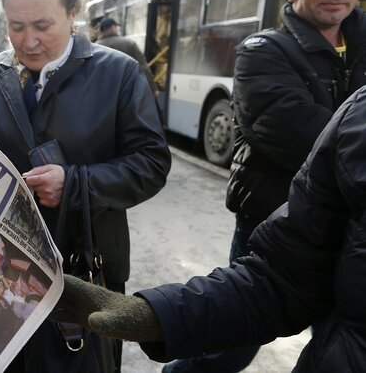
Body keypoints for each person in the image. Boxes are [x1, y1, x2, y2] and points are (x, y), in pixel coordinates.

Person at [0, 0, 171, 371]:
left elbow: (152, 163)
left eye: (42, 26)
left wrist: (78, 183)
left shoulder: (118, 74)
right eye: (16, 26)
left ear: (72, 13)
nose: (28, 42)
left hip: (87, 270)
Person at [52, 81, 366, 372]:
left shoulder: (119, 71)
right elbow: (282, 281)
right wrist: (154, 316)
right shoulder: (358, 116)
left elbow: (149, 161)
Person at [164, 0, 366, 371]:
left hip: (352, 234)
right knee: (233, 342)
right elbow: (299, 134)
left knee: (342, 343)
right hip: (274, 222)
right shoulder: (263, 51)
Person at [94, 17, 158, 96]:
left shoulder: (95, 47)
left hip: (101, 91)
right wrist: (152, 87)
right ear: (113, 28)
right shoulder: (129, 43)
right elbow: (143, 67)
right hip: (125, 91)